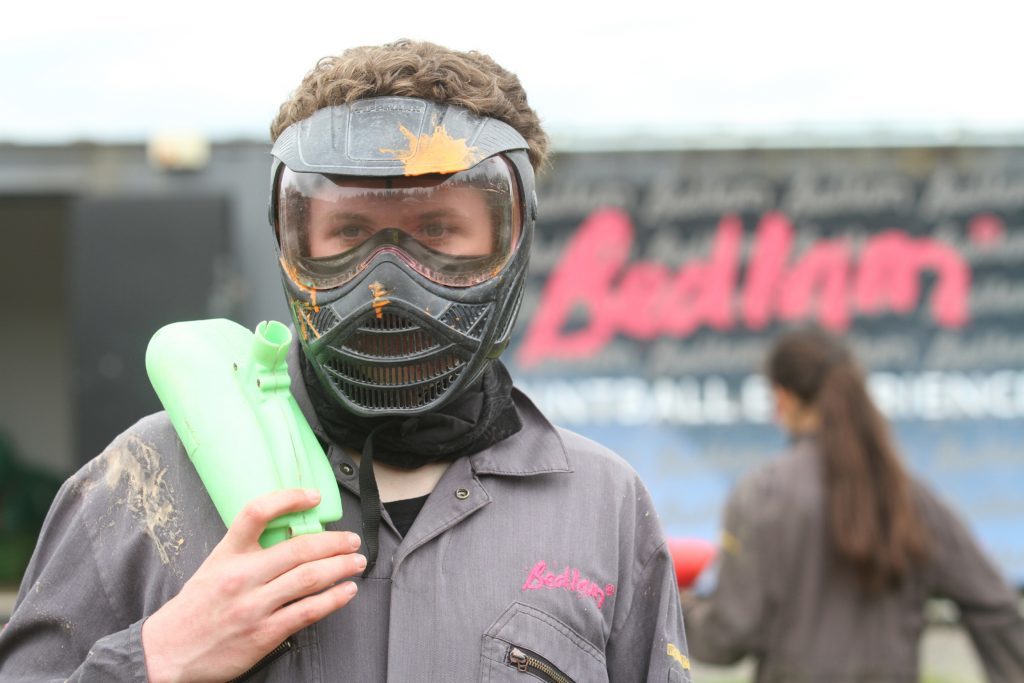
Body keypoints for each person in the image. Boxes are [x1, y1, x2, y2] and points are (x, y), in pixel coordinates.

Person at [0, 40, 691, 682]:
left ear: (511, 240)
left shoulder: (601, 506)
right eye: (351, 232)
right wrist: (156, 655)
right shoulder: (144, 483)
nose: (386, 282)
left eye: (439, 229)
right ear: (292, 239)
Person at [682, 327, 1024, 682]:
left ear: (783, 398)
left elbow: (727, 637)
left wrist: (673, 610)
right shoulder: (910, 499)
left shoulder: (762, 494)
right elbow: (995, 605)